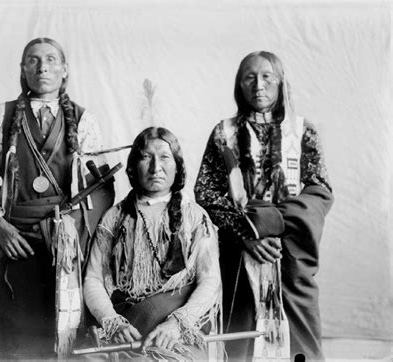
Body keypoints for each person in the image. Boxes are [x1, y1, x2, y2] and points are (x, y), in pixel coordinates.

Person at [0, 38, 112, 360]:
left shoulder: (83, 119)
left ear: (64, 69)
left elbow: (101, 190)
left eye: (49, 59)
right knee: (18, 342)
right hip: (17, 245)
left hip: (67, 249)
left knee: (67, 336)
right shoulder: (0, 116)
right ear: (22, 69)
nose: (42, 66)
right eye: (32, 60)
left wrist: (68, 229)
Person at [194, 51, 334, 361]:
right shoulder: (224, 133)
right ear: (239, 86)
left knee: (300, 341)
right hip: (241, 246)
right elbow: (205, 191)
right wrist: (246, 233)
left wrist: (272, 224)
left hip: (289, 248)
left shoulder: (302, 131)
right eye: (250, 77)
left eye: (267, 76)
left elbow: (319, 190)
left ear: (281, 83)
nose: (259, 84)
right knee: (241, 329)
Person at [83, 127, 221, 360]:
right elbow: (93, 279)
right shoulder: (114, 217)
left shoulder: (195, 218)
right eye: (146, 157)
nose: (156, 168)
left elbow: (210, 280)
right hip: (128, 330)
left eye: (165, 157)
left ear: (178, 166)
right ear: (133, 167)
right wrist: (113, 322)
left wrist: (178, 323)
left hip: (177, 335)